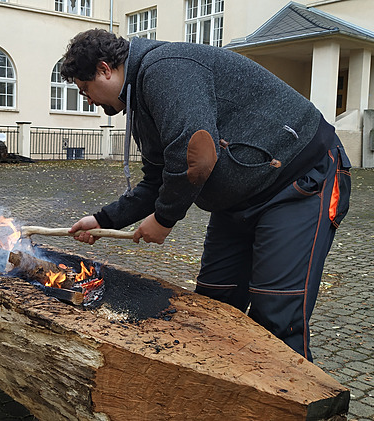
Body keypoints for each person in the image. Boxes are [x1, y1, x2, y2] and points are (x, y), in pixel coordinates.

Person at [61, 28, 351, 361]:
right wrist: (102, 219)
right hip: (236, 202)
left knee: (276, 313)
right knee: (212, 304)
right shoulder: (141, 103)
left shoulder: (165, 68)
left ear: (105, 69)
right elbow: (155, 180)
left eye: (86, 89)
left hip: (299, 182)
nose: (89, 100)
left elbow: (196, 153)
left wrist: (165, 218)